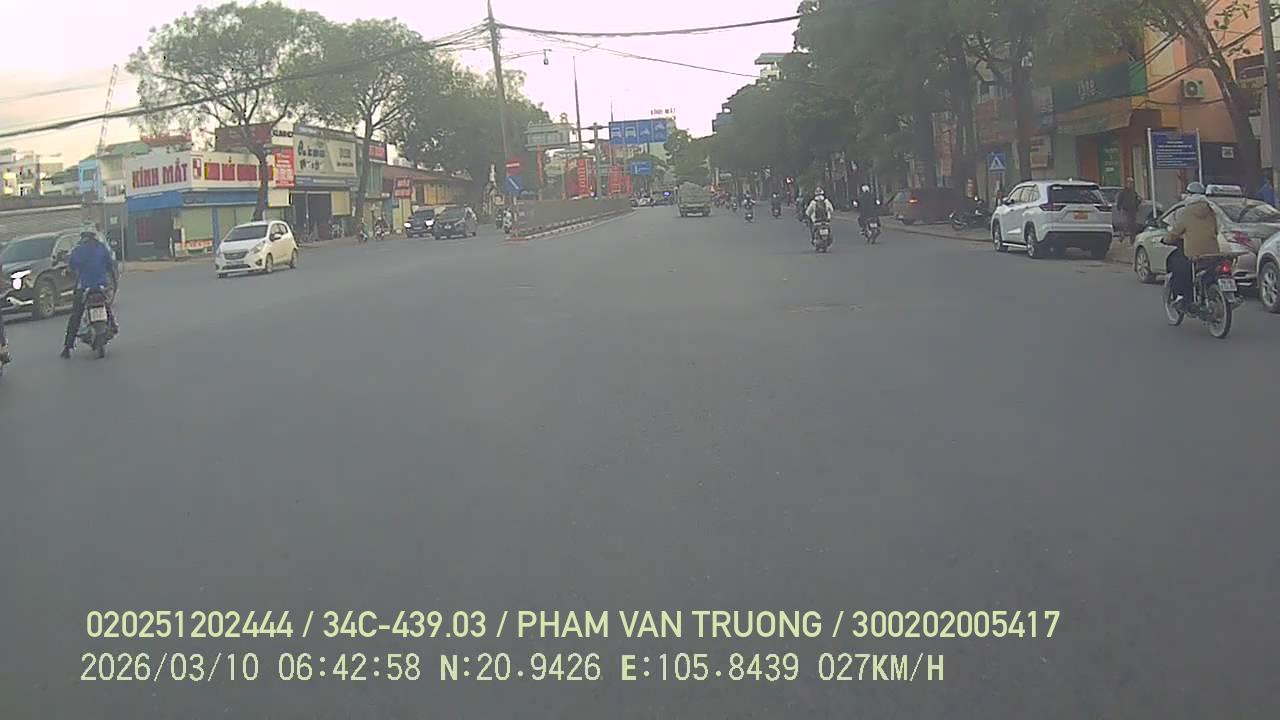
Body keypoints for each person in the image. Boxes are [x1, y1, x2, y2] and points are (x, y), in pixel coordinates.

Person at [61, 230, 118, 358]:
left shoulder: (77, 251)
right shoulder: (101, 248)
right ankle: (113, 326)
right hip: (101, 287)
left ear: (83, 237)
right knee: (107, 307)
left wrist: (70, 272)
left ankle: (67, 347)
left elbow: (71, 267)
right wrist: (112, 283)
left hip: (84, 288)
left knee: (76, 316)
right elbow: (110, 266)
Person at [1164, 183, 1219, 308]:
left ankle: (1183, 297)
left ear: (1189, 194)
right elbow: (1216, 229)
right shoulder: (1211, 210)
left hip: (1193, 252)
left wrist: (1167, 239)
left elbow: (1176, 231)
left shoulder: (1186, 212)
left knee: (1179, 266)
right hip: (1212, 250)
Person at [1116, 178, 1142, 244]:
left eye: (1132, 183)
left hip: (1132, 212)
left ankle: (1132, 241)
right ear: (1127, 183)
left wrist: (1139, 202)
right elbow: (1119, 200)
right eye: (1129, 183)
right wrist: (1119, 207)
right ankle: (1122, 236)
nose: (1130, 184)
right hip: (1125, 211)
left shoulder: (1134, 193)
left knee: (1133, 227)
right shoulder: (1123, 192)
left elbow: (1136, 202)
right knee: (1126, 225)